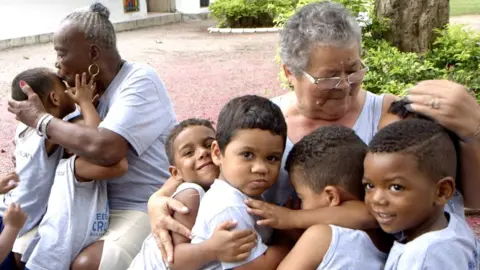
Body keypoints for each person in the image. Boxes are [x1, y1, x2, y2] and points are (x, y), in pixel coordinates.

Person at [146, 2, 480, 263]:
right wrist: (159, 198)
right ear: (289, 72)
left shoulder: (389, 117)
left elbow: (467, 199)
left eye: (354, 70)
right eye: (329, 77)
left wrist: (473, 131)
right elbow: (208, 161)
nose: (345, 86)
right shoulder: (264, 125)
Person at [7, 3, 177, 269]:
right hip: (88, 204)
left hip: (140, 205)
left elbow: (108, 150)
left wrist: (41, 120)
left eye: (61, 54)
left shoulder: (140, 81)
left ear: (94, 53)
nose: (57, 63)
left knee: (86, 264)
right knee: (22, 248)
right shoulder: (80, 94)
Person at [168, 95, 290, 270]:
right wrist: (290, 239)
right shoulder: (229, 206)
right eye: (247, 154)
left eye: (272, 158)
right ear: (217, 153)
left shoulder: (246, 195)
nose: (260, 168)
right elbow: (258, 266)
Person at [21, 72, 127, 270]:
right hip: (51, 263)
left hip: (49, 259)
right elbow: (107, 152)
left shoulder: (34, 138)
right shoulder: (75, 167)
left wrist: (87, 110)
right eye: (79, 137)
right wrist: (85, 104)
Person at [128, 118, 257, 269]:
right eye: (189, 152)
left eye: (209, 145)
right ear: (176, 173)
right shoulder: (190, 195)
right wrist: (212, 249)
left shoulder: (228, 192)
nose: (202, 152)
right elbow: (174, 261)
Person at [363, 118, 479, 269]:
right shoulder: (453, 225)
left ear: (442, 191)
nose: (377, 199)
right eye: (369, 185)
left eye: (396, 187)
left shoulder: (422, 257)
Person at [278, 125, 389, 270]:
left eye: (301, 197)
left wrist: (290, 221)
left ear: (331, 197)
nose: (298, 205)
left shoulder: (320, 237)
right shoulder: (386, 238)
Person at [6, 67, 77, 266]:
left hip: (7, 207)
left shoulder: (23, 127)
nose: (69, 88)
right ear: (55, 98)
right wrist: (87, 102)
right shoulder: (49, 134)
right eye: (64, 87)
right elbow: (90, 135)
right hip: (24, 219)